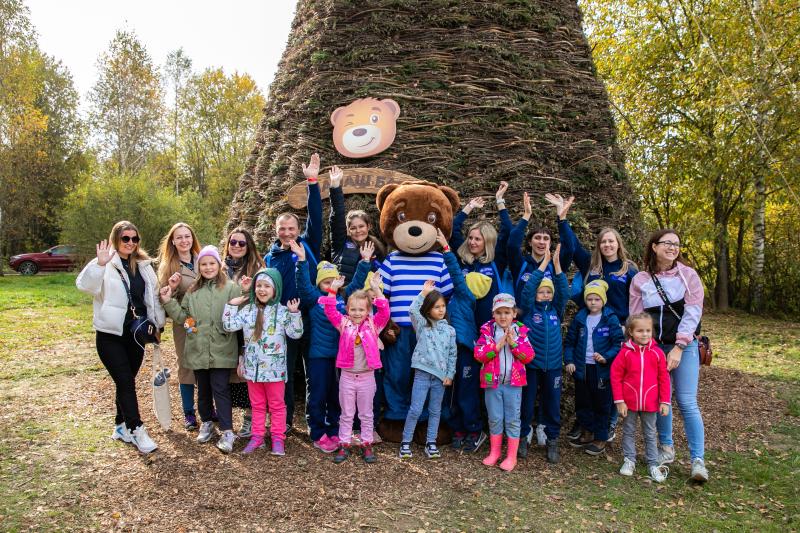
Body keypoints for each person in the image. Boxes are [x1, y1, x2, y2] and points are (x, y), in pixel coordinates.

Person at [551, 193, 639, 442]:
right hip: (589, 328)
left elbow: (638, 303)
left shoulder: (629, 270)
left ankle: (608, 423)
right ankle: (585, 422)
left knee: (611, 379)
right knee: (588, 381)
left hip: (617, 330)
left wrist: (629, 328)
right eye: (603, 242)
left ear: (618, 244)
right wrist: (562, 217)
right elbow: (573, 245)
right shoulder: (593, 266)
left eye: (611, 242)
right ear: (599, 245)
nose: (607, 245)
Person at [76, 221, 165, 454]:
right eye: (125, 238)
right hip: (110, 336)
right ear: (116, 239)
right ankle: (137, 429)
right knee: (125, 381)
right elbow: (85, 286)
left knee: (125, 381)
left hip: (136, 334)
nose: (130, 243)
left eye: (135, 239)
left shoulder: (144, 265)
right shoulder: (105, 263)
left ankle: (120, 425)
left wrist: (158, 325)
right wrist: (99, 264)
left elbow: (152, 299)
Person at [629, 229, 708, 482]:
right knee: (661, 400)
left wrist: (679, 347)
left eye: (676, 244)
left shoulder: (688, 276)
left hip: (683, 348)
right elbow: (637, 318)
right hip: (654, 349)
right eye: (667, 243)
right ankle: (666, 448)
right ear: (654, 246)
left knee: (687, 402)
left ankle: (698, 461)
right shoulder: (641, 279)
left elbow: (693, 314)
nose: (673, 248)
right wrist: (643, 348)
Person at [447, 182, 511, 452]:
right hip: (462, 333)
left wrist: (500, 203)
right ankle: (462, 427)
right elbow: (449, 235)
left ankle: (476, 429)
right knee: (462, 381)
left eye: (478, 238)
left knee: (480, 384)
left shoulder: (495, 263)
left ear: (487, 242)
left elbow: (509, 234)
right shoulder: (461, 262)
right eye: (470, 238)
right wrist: (467, 209)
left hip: (487, 336)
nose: (472, 242)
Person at [292, 239, 372, 453]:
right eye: (325, 282)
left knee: (337, 394)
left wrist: (364, 262)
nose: (329, 285)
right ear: (319, 284)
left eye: (332, 281)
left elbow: (356, 285)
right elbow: (302, 284)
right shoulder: (314, 299)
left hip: (341, 357)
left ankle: (335, 429)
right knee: (317, 393)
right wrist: (301, 260)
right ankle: (318, 433)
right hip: (318, 355)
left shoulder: (342, 299)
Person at [507, 192, 574, 448]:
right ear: (531, 241)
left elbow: (569, 246)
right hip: (524, 331)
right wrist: (525, 217)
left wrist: (562, 217)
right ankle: (524, 431)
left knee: (549, 395)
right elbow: (511, 245)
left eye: (546, 238)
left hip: (549, 342)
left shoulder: (557, 263)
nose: (542, 241)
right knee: (527, 393)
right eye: (538, 237)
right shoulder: (522, 262)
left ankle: (546, 429)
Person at [160, 245, 241, 454]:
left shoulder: (231, 288)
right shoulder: (193, 291)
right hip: (198, 349)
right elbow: (184, 317)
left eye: (211, 263)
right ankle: (206, 422)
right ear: (199, 267)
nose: (207, 267)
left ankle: (227, 431)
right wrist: (169, 302)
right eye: (203, 264)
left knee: (221, 389)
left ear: (219, 265)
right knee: (203, 390)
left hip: (223, 349)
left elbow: (240, 316)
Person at [263, 154, 323, 433]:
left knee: (312, 373)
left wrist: (312, 181)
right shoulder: (270, 257)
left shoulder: (307, 245)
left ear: (298, 230)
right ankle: (284, 421)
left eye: (291, 228)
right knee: (284, 373)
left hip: (309, 318)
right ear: (276, 232)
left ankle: (313, 422)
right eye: (282, 229)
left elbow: (316, 215)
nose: (287, 233)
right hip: (282, 322)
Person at [222, 268, 303, 456]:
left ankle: (277, 438)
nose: (262, 290)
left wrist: (294, 313)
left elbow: (296, 333)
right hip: (253, 371)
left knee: (276, 406)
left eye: (267, 286)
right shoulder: (248, 310)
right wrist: (232, 305)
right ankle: (257, 437)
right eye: (259, 285)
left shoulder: (282, 312)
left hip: (274, 372)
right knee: (257, 405)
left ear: (276, 289)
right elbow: (228, 325)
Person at [320, 274, 390, 464]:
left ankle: (366, 442)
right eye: (353, 309)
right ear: (347, 310)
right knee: (347, 413)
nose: (357, 313)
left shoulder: (374, 325)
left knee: (366, 413)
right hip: (348, 377)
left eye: (361, 309)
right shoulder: (344, 324)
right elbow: (329, 310)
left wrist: (376, 289)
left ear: (368, 310)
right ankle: (344, 443)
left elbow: (385, 313)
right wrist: (333, 290)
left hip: (367, 377)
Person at [518, 245, 568, 463]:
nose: (545, 294)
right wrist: (544, 264)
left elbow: (563, 291)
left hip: (554, 365)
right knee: (527, 404)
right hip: (532, 365)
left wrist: (557, 266)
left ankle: (552, 439)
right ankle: (522, 437)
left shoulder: (557, 310)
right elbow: (528, 289)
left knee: (552, 404)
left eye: (548, 292)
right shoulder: (529, 310)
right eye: (541, 291)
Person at [474, 293, 534, 472]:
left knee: (513, 419)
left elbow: (529, 356)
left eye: (507, 312)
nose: (503, 316)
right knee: (495, 418)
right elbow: (479, 355)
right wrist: (497, 346)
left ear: (514, 314)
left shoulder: (521, 332)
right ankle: (495, 453)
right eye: (499, 312)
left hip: (513, 384)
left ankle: (511, 456)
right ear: (493, 314)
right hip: (493, 384)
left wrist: (513, 344)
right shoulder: (486, 332)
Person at [563, 280, 624, 456]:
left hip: (602, 370)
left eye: (597, 299)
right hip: (582, 368)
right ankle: (587, 432)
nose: (593, 302)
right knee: (583, 402)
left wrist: (606, 357)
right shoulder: (581, 318)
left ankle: (601, 437)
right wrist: (569, 361)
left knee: (602, 404)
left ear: (603, 300)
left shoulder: (610, 318)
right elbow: (570, 343)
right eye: (589, 299)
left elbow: (618, 343)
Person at [399, 280, 457, 460]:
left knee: (435, 410)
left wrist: (450, 374)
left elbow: (452, 354)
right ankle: (405, 442)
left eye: (443, 306)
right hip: (422, 375)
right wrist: (423, 294)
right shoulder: (423, 326)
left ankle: (431, 442)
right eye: (436, 307)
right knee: (415, 409)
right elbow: (412, 311)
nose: (441, 310)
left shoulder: (450, 331)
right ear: (428, 309)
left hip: (440, 378)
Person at [611, 313, 671, 482]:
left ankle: (653, 464)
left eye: (648, 330)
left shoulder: (658, 353)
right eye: (640, 331)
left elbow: (664, 379)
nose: (644, 334)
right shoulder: (625, 353)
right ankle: (629, 460)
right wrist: (620, 401)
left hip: (650, 403)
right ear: (631, 332)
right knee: (628, 431)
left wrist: (664, 401)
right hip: (629, 403)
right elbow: (616, 376)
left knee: (650, 433)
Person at [221, 227, 266, 438]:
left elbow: (263, 294)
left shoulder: (257, 267)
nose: (237, 246)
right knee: (228, 374)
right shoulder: (220, 268)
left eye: (241, 243)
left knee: (248, 374)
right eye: (233, 242)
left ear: (248, 246)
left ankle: (250, 420)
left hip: (248, 326)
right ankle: (226, 422)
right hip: (225, 325)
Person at [156, 222, 201, 431]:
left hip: (207, 320)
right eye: (179, 237)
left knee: (206, 363)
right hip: (184, 322)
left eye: (187, 236)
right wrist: (172, 288)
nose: (184, 240)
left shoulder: (202, 259)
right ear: (173, 241)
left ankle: (208, 408)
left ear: (192, 238)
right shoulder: (169, 266)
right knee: (186, 365)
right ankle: (188, 412)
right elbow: (163, 298)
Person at [328, 165, 386, 283]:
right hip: (344, 294)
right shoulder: (341, 244)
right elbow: (337, 216)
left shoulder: (378, 249)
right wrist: (335, 186)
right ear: (348, 230)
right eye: (353, 228)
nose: (358, 231)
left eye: (361, 226)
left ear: (368, 226)